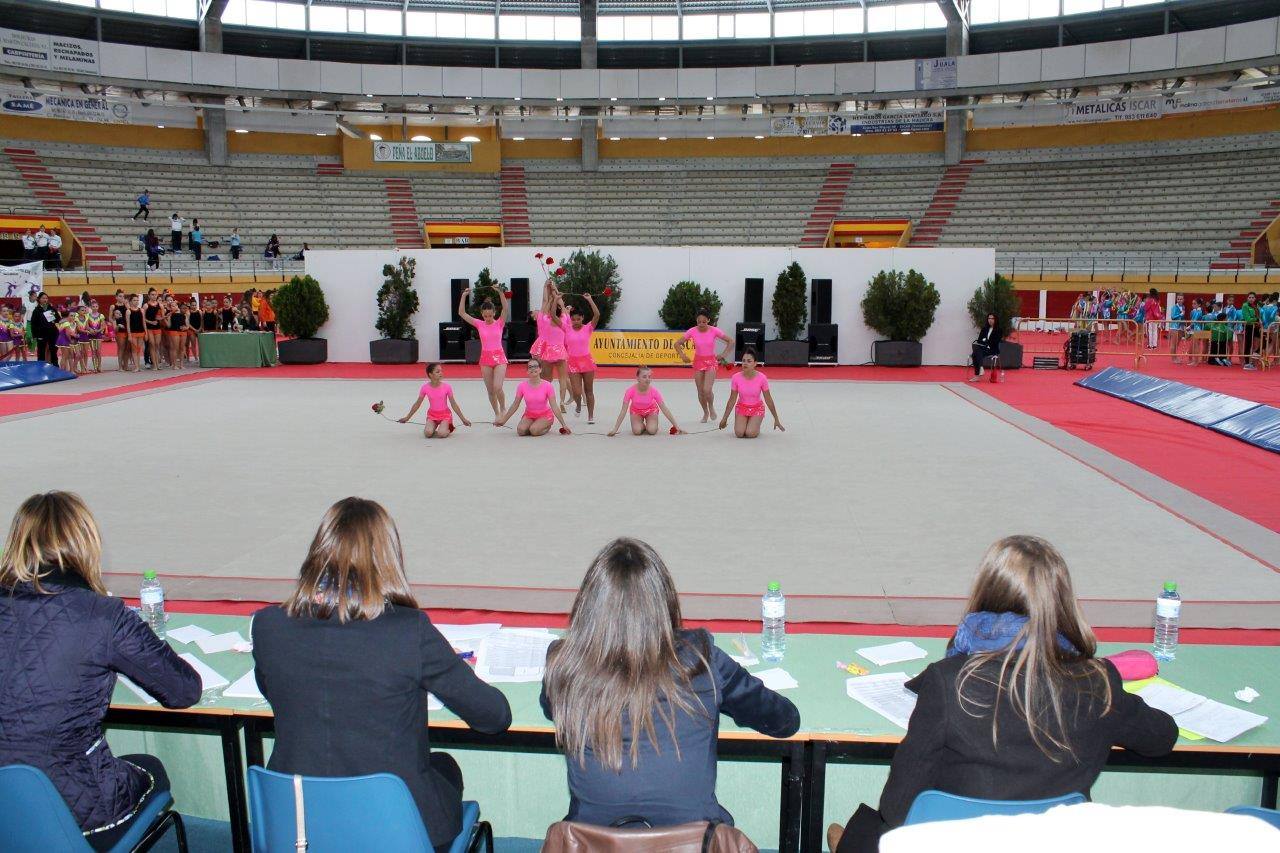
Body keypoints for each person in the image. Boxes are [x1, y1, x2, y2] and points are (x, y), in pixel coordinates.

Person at [829, 535, 1178, 853]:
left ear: (986, 596)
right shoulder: (1099, 682)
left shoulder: (948, 681)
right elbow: (1162, 736)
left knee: (848, 833)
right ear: (1064, 604)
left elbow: (897, 808)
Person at [252, 497, 512, 852]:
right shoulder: (409, 632)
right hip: (397, 833)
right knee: (444, 767)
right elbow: (494, 716)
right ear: (388, 559)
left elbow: (271, 689)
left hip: (296, 825)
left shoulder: (268, 626)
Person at [541, 537, 800, 829]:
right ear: (664, 600)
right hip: (692, 845)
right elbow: (785, 721)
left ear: (588, 606)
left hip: (593, 844)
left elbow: (551, 707)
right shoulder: (701, 659)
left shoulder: (564, 666)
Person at [0, 492, 201, 850]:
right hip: (78, 815)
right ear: (85, 543)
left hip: (7, 813)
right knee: (148, 766)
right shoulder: (102, 615)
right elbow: (184, 690)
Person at [458, 287, 509, 420]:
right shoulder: (479, 324)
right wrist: (464, 296)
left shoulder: (499, 323)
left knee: (498, 387)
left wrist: (500, 293)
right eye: (485, 316)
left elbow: (505, 309)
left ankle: (503, 408)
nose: (488, 318)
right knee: (491, 390)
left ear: (494, 313)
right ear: (482, 314)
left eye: (490, 315)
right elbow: (462, 313)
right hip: (485, 359)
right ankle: (497, 413)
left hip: (499, 358)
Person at [677, 309, 733, 423]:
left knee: (707, 389)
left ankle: (711, 407)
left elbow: (731, 341)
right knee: (700, 391)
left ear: (708, 320)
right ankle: (705, 412)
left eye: (704, 321)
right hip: (698, 362)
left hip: (711, 362)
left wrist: (723, 354)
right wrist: (682, 355)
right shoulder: (692, 331)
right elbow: (677, 343)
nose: (701, 324)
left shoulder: (714, 330)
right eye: (699, 322)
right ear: (696, 321)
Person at [494, 357, 571, 437]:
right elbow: (515, 404)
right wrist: (504, 420)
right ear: (527, 371)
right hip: (529, 415)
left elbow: (554, 406)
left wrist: (563, 424)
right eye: (530, 367)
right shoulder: (522, 386)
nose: (533, 369)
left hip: (545, 415)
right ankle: (535, 425)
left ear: (540, 369)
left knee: (534, 431)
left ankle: (547, 425)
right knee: (521, 431)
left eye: (536, 366)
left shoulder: (548, 385)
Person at [719, 349, 783, 438]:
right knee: (739, 433)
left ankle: (754, 424)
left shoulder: (762, 378)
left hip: (757, 408)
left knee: (750, 433)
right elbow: (732, 399)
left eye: (749, 361)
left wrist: (776, 419)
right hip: (742, 407)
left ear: (755, 363)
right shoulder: (735, 378)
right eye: (743, 361)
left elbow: (768, 399)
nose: (745, 363)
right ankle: (746, 421)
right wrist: (724, 418)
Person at [399, 363, 472, 439]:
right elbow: (417, 404)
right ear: (430, 375)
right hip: (432, 415)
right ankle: (435, 426)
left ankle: (449, 428)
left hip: (445, 415)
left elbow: (454, 404)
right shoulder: (425, 388)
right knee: (428, 433)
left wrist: (463, 419)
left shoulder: (447, 387)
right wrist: (407, 418)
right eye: (437, 372)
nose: (441, 373)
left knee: (441, 434)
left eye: (441, 371)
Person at [607, 366, 683, 437]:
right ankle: (642, 425)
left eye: (649, 377)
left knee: (652, 431)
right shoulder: (630, 391)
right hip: (636, 412)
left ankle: (651, 423)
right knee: (637, 431)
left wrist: (676, 427)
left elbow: (664, 409)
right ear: (637, 378)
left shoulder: (654, 391)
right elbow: (623, 411)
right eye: (644, 377)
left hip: (651, 411)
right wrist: (615, 429)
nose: (647, 379)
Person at [531, 279, 570, 413]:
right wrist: (555, 290)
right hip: (560, 351)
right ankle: (562, 401)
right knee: (563, 379)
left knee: (546, 380)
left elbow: (545, 303)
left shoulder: (544, 320)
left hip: (547, 352)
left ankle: (545, 400)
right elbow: (562, 305)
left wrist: (545, 287)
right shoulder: (564, 320)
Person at [561, 294, 599, 423]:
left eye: (578, 319)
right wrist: (555, 300)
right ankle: (577, 405)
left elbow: (597, 315)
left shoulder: (588, 328)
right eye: (573, 319)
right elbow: (554, 317)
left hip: (587, 362)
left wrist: (589, 300)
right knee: (577, 392)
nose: (576, 321)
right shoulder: (566, 328)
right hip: (573, 362)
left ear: (582, 318)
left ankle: (591, 416)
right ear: (570, 319)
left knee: (589, 390)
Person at [969, 312, 1002, 381]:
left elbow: (996, 342)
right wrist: (985, 342)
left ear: (995, 320)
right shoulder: (984, 329)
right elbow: (979, 340)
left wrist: (986, 341)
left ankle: (977, 375)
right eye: (989, 318)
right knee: (975, 351)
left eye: (992, 318)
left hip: (992, 349)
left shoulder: (999, 330)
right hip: (983, 348)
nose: (990, 320)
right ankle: (980, 369)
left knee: (975, 353)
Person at [30, 291, 59, 365]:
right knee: (41, 351)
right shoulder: (36, 310)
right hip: (41, 334)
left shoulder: (51, 308)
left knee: (53, 349)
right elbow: (33, 324)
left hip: (52, 332)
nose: (45, 299)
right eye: (43, 298)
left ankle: (55, 365)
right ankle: (41, 366)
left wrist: (53, 317)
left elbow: (58, 319)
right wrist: (35, 335)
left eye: (46, 298)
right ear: (39, 299)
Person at [81, 300, 107, 374]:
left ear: (98, 307)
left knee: (98, 351)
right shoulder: (88, 315)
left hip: (98, 335)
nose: (95, 308)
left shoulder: (101, 315)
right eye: (93, 307)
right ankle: (95, 367)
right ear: (91, 307)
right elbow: (86, 325)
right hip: (91, 335)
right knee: (93, 352)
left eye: (96, 306)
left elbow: (103, 325)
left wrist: (98, 330)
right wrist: (90, 329)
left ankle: (99, 366)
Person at [143, 291, 166, 369]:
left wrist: (162, 318)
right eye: (152, 295)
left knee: (157, 345)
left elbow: (162, 317)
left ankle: (157, 364)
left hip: (157, 328)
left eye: (155, 295)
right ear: (149, 296)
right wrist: (151, 322)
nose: (154, 296)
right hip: (149, 328)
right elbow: (143, 318)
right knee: (152, 345)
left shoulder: (160, 305)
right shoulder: (146, 306)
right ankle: (154, 365)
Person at [1240, 291, 1261, 371]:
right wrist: (1257, 319)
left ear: (1255, 299)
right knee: (1248, 345)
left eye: (1253, 297)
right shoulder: (1245, 306)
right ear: (1247, 298)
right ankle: (1247, 363)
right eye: (1250, 297)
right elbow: (1247, 319)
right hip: (1249, 327)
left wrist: (1258, 320)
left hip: (1256, 327)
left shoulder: (1255, 306)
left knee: (1260, 344)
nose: (1251, 299)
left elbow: (1258, 316)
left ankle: (1253, 361)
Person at [1168, 294, 1185, 364]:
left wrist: (1183, 326)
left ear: (1183, 300)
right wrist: (1180, 314)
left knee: (1177, 343)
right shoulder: (1174, 307)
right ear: (1176, 300)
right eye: (1178, 299)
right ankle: (1173, 358)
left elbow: (1182, 318)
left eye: (1181, 299)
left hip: (1180, 327)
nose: (1179, 300)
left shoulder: (1183, 307)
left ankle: (1175, 356)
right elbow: (1172, 317)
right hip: (1174, 326)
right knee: (1173, 343)